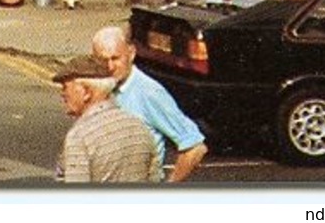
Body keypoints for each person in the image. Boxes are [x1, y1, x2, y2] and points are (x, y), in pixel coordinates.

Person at [92, 25, 208, 182]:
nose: (109, 67)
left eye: (115, 58)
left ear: (131, 53)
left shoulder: (148, 92)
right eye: (102, 60)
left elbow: (194, 147)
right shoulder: (99, 86)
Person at [50, 55, 161, 183]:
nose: (62, 94)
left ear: (86, 92)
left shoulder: (80, 136)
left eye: (65, 87)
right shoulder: (139, 127)